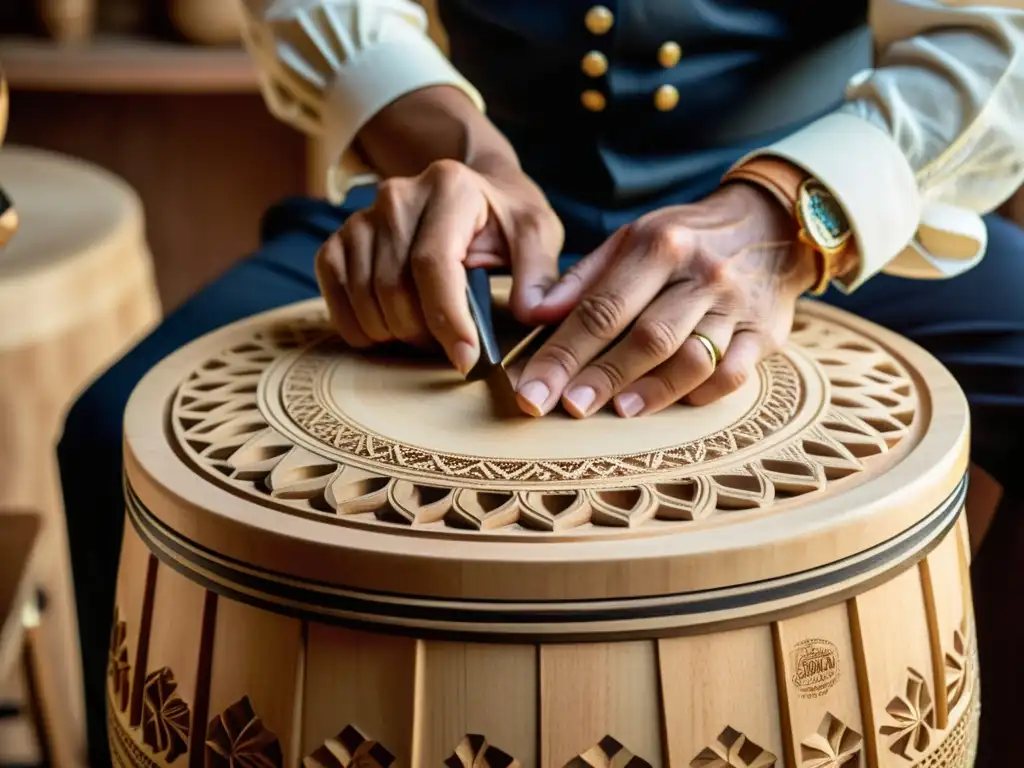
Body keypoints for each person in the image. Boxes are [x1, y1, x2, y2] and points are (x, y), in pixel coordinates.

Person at [58, 0, 1023, 765]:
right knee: (118, 435)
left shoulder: (807, 212)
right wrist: (459, 155)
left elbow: (992, 34)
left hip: (825, 210)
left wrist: (790, 214)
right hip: (490, 202)